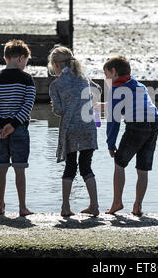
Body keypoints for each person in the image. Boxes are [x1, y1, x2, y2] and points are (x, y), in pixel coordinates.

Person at [48, 46, 102, 217]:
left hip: (70, 128)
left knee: (70, 167)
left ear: (55, 64)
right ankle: (94, 206)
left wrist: (55, 105)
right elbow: (98, 90)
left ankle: (65, 207)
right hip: (88, 126)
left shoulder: (56, 84)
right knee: (86, 166)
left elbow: (59, 110)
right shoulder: (83, 78)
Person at [103, 56, 158, 217]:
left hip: (137, 124)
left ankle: (117, 202)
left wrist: (110, 144)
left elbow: (113, 120)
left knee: (119, 163)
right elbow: (129, 104)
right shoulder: (138, 85)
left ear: (114, 72)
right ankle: (137, 205)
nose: (106, 78)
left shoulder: (115, 89)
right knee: (142, 168)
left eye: (106, 74)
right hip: (154, 122)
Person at [0, 40, 36, 217]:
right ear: (21, 58)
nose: (25, 64)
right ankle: (22, 207)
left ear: (5, 58)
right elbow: (28, 104)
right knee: (19, 168)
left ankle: (0, 205)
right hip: (19, 128)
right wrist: (13, 125)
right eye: (26, 61)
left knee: (1, 168)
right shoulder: (27, 79)